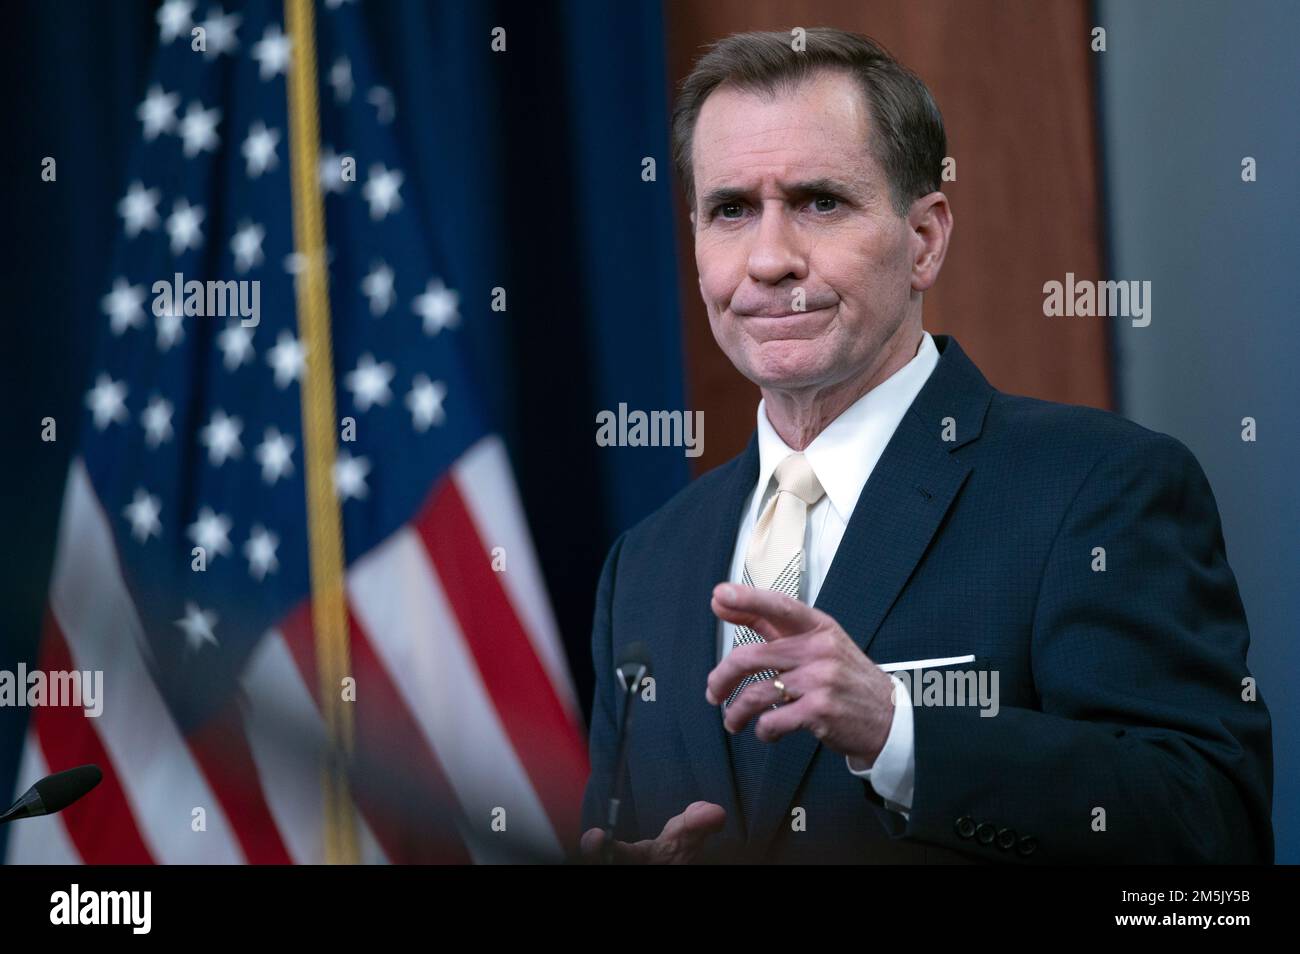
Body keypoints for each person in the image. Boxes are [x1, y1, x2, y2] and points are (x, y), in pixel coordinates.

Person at [578, 28, 1272, 863]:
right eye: (730, 211)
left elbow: (1210, 833)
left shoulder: (1098, 489)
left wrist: (899, 735)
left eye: (818, 202)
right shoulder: (645, 566)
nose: (768, 259)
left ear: (925, 240)